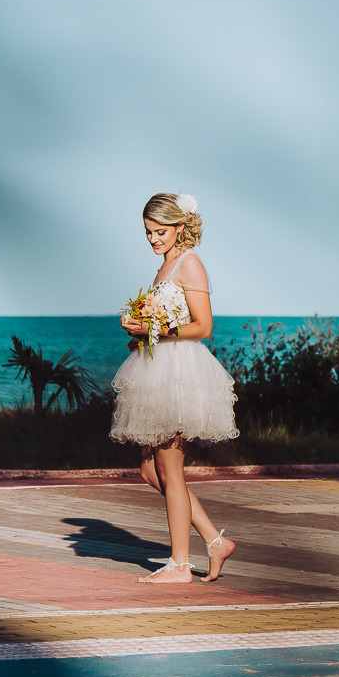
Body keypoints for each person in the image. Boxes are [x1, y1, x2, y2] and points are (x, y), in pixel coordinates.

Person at [109, 192, 239, 584]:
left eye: (160, 231)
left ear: (180, 227)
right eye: (148, 233)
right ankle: (215, 541)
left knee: (170, 468)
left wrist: (155, 328)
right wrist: (138, 333)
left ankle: (179, 565)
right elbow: (162, 326)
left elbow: (203, 327)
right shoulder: (165, 267)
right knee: (151, 470)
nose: (153, 239)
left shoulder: (190, 263)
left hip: (180, 374)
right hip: (157, 367)